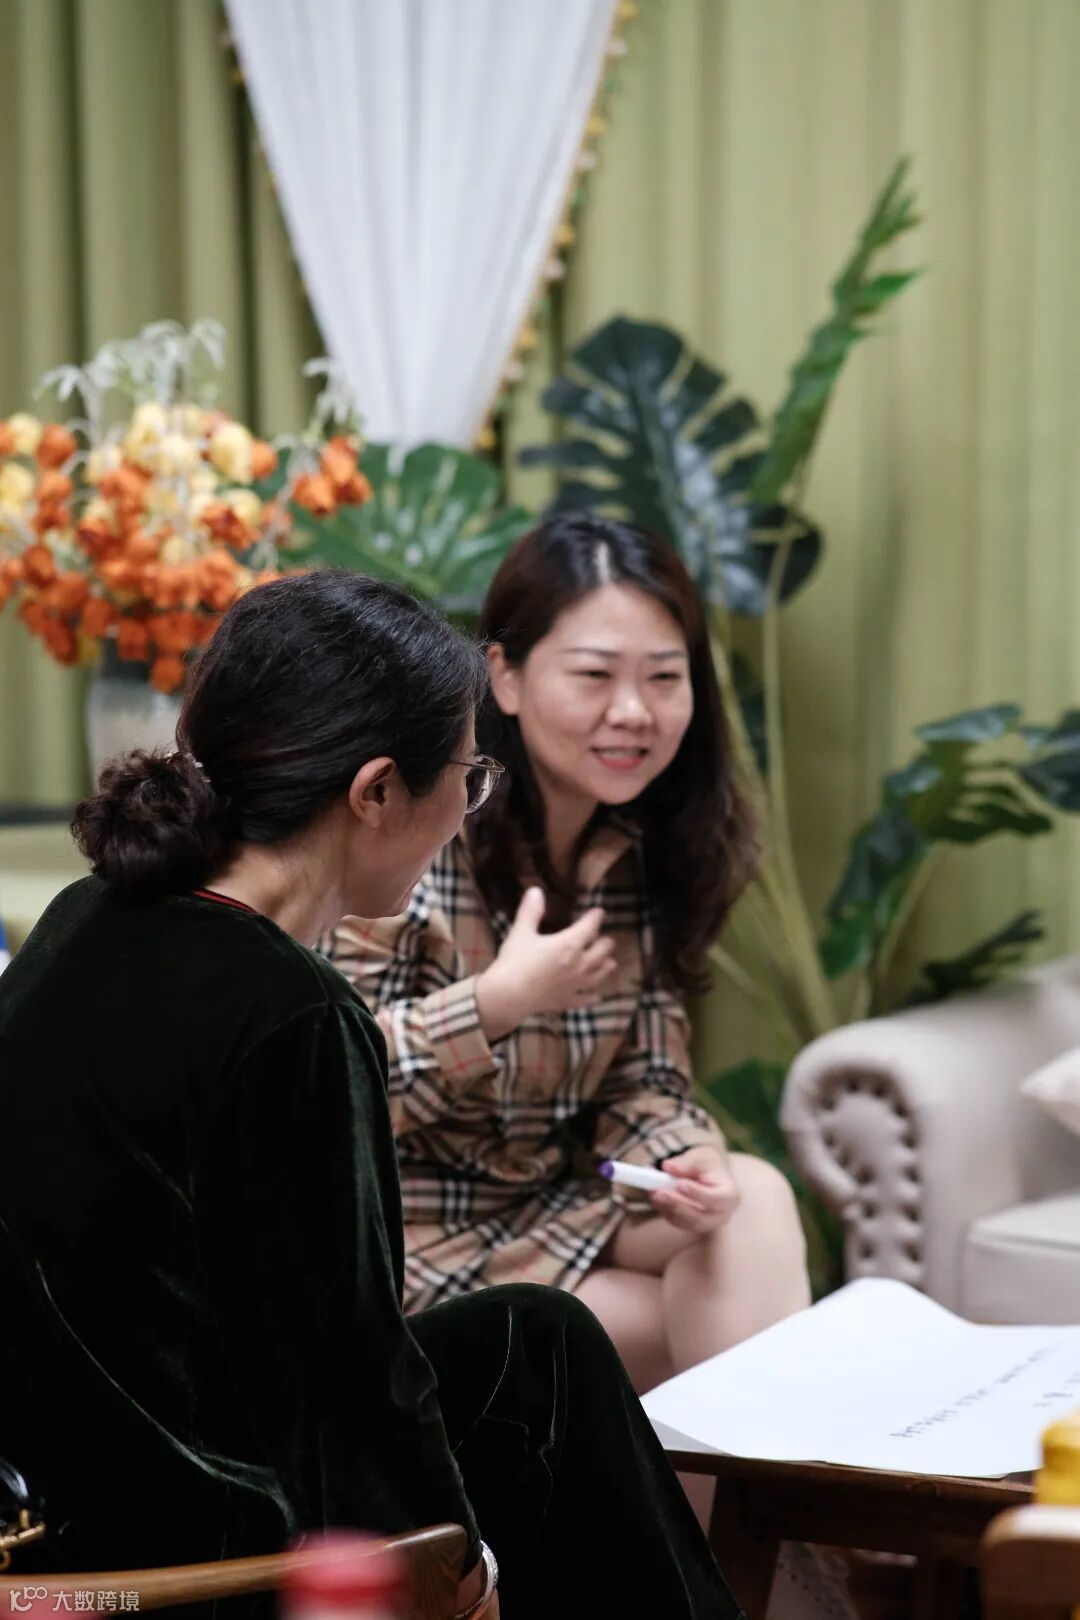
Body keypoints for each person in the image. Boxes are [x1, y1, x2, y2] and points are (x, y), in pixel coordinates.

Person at [0, 572, 740, 1620]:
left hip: (70, 1475)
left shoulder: (93, 912)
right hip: (176, 1535)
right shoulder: (289, 1011)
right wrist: (460, 1580)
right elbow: (349, 1384)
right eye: (469, 778)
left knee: (541, 1342)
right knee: (519, 1430)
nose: (468, 814)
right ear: (378, 791)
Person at [328, 515, 812, 1397]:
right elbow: (325, 1089)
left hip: (552, 1212)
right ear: (504, 677)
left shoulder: (643, 852)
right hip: (404, 1242)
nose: (633, 712)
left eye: (664, 677)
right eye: (594, 675)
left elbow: (646, 1082)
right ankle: (763, 1488)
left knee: (746, 1200)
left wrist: (681, 1156)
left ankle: (753, 1485)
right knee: (669, 1329)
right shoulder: (414, 838)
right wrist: (498, 1003)